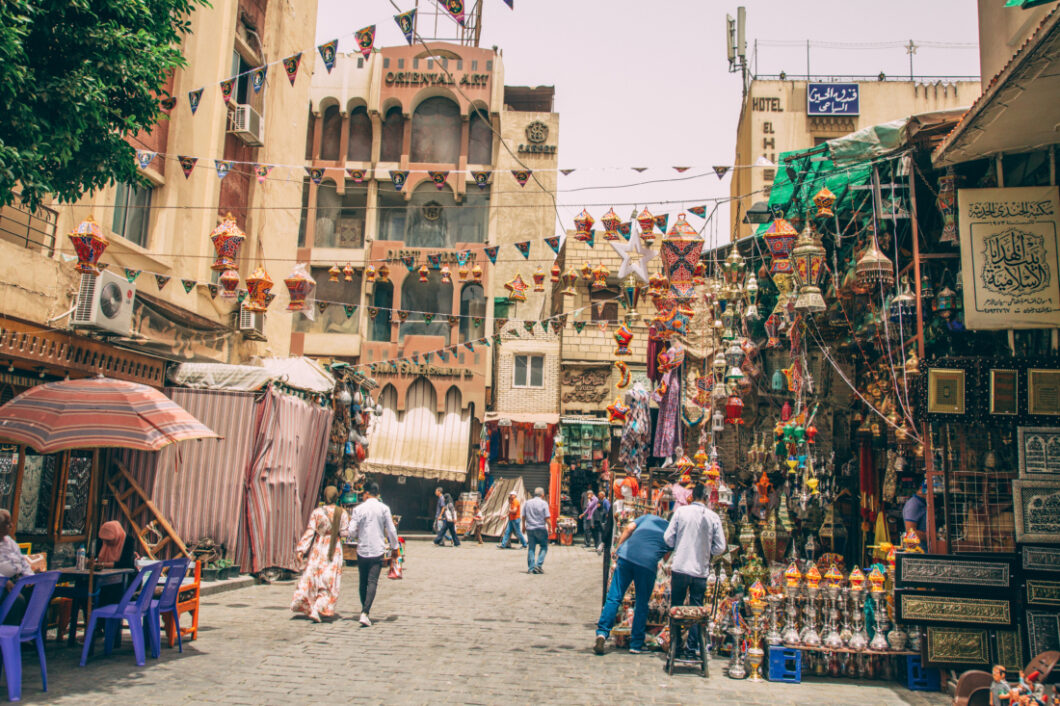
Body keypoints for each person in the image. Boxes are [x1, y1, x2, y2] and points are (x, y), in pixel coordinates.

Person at [593, 512, 670, 655]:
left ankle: (602, 633)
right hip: (647, 565)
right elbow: (666, 558)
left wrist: (618, 548)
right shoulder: (671, 530)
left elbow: (629, 528)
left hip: (626, 556)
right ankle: (636, 644)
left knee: (614, 597)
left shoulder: (648, 517)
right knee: (641, 603)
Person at [664, 482, 726, 658]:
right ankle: (692, 648)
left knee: (676, 606)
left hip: (680, 568)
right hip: (700, 570)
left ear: (691, 497)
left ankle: (675, 647)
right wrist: (707, 552)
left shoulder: (680, 512)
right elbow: (720, 547)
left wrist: (679, 545)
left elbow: (668, 538)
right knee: (696, 608)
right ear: (706, 498)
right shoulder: (713, 517)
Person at [291, 486, 349, 623]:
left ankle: (311, 606)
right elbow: (345, 534)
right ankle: (319, 607)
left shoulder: (317, 512)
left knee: (314, 577)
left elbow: (310, 532)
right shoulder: (343, 513)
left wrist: (301, 550)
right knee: (328, 579)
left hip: (318, 547)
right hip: (334, 549)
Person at [348, 482, 399, 627]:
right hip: (377, 549)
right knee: (372, 581)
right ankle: (365, 612)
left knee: (362, 581)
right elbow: (391, 529)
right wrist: (395, 547)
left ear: (366, 493)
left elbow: (351, 531)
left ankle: (364, 610)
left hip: (362, 549)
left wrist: (358, 533)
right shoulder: (384, 509)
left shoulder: (358, 509)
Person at [0, 509, 32, 626]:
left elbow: (23, 562)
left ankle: (32, 639)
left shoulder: (10, 542)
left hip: (18, 581)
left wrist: (29, 577)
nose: (11, 526)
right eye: (7, 523)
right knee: (17, 600)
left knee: (39, 597)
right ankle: (7, 639)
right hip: (3, 586)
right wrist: (4, 581)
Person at [522, 487, 551, 574]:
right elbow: (547, 517)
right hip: (540, 528)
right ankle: (538, 565)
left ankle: (531, 568)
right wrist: (551, 527)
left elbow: (523, 516)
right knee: (544, 546)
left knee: (531, 548)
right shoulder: (544, 503)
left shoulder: (527, 503)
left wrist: (523, 526)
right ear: (542, 495)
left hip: (530, 528)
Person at [903, 480, 928, 545]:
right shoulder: (913, 504)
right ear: (921, 490)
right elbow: (911, 532)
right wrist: (934, 536)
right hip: (920, 551)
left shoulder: (923, 503)